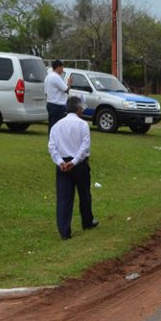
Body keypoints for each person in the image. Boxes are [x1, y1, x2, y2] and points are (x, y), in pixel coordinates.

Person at [48, 96, 99, 240]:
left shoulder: (57, 126)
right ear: (78, 109)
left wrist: (60, 162)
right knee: (84, 194)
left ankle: (64, 231)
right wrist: (74, 162)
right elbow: (85, 146)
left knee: (64, 198)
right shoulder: (83, 125)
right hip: (79, 164)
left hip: (62, 165)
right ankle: (87, 222)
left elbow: (52, 147)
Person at [44, 59, 72, 133]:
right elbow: (66, 90)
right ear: (58, 67)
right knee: (57, 127)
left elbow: (46, 93)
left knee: (52, 126)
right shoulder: (56, 77)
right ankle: (55, 142)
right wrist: (69, 83)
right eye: (62, 68)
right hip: (57, 106)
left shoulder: (48, 76)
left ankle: (51, 142)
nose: (63, 70)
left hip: (50, 103)